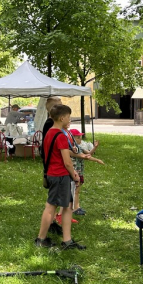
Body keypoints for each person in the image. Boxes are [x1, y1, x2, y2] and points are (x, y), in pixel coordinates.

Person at [35, 105, 86, 250]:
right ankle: (41, 239)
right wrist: (75, 175)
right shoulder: (61, 136)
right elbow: (67, 162)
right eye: (69, 117)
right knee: (51, 207)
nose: (70, 120)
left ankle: (67, 240)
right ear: (62, 118)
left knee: (68, 207)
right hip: (60, 175)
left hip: (52, 174)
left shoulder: (49, 133)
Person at [69, 129, 104, 216]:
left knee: (77, 190)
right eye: (78, 138)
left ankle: (76, 207)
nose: (80, 139)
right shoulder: (71, 149)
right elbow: (85, 157)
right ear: (71, 138)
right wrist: (97, 160)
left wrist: (95, 147)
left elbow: (88, 154)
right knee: (75, 191)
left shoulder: (79, 147)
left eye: (80, 137)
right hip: (74, 173)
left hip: (79, 172)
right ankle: (74, 208)